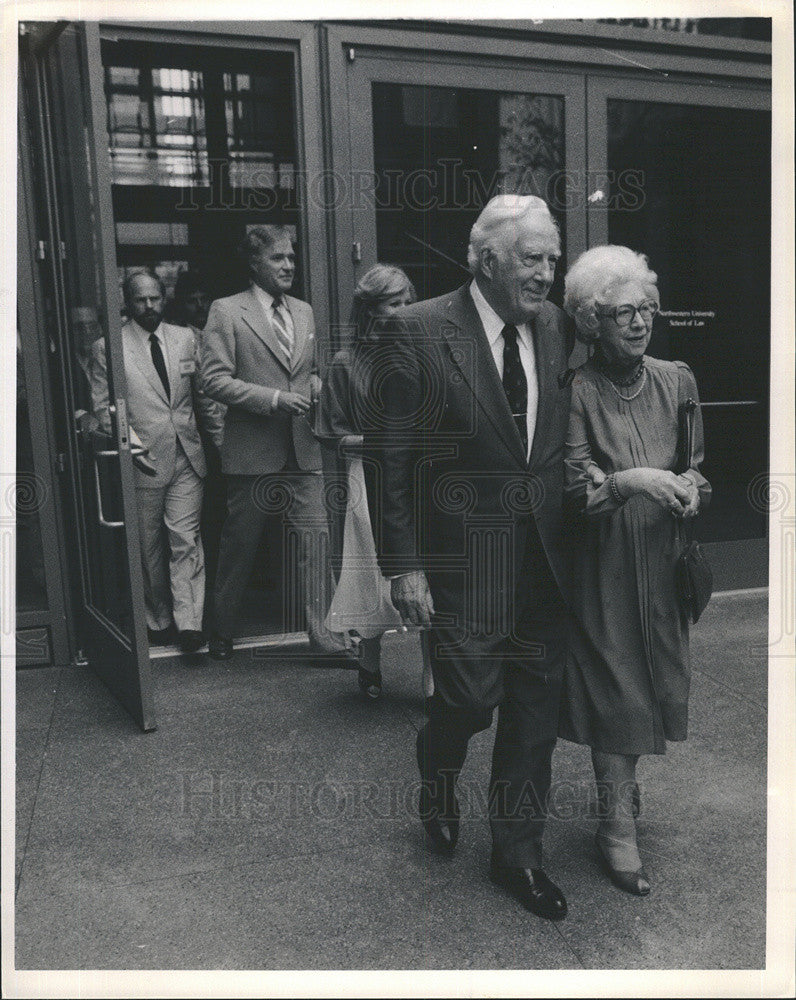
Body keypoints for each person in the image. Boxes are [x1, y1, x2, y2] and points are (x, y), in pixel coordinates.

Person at [363, 195, 575, 921]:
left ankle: (518, 855)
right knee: (468, 701)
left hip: (547, 559)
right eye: (533, 259)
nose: (549, 273)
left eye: (553, 258)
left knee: (534, 714)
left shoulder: (555, 327)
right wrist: (403, 567)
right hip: (462, 563)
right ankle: (439, 763)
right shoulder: (416, 331)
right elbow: (389, 459)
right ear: (488, 261)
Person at [559, 245, 711, 896]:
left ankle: (621, 796)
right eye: (624, 311)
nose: (640, 321)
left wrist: (690, 487)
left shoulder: (678, 379)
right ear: (592, 320)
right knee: (616, 690)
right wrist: (627, 480)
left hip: (663, 561)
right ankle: (615, 826)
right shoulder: (576, 391)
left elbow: (698, 464)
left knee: (653, 686)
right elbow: (573, 491)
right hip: (605, 566)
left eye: (647, 308)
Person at [201, 225, 349, 661]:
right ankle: (222, 629)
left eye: (291, 257)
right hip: (251, 450)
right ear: (254, 263)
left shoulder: (303, 311)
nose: (288, 266)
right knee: (239, 548)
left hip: (303, 448)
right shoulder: (227, 311)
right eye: (277, 259)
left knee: (316, 546)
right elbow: (212, 379)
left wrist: (317, 385)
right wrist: (273, 399)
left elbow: (308, 369)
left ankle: (325, 640)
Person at [91, 270, 224, 653]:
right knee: (148, 546)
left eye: (154, 298)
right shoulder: (109, 347)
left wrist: (218, 443)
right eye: (139, 300)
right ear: (127, 303)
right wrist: (131, 446)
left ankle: (189, 624)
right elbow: (105, 409)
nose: (148, 306)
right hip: (142, 459)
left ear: (163, 298)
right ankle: (159, 618)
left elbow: (203, 398)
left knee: (186, 539)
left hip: (187, 455)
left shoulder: (186, 338)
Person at [317, 264, 430, 699]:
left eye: (408, 302)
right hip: (368, 477)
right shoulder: (347, 364)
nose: (403, 311)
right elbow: (331, 433)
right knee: (372, 573)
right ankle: (370, 660)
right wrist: (388, 438)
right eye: (392, 303)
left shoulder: (423, 353)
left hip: (417, 477)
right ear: (370, 310)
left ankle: (431, 676)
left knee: (426, 572)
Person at [171, 269, 226, 626]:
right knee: (205, 526)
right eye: (192, 300)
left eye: (204, 298)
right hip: (201, 442)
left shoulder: (217, 333)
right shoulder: (180, 340)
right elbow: (202, 399)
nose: (200, 305)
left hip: (227, 435)